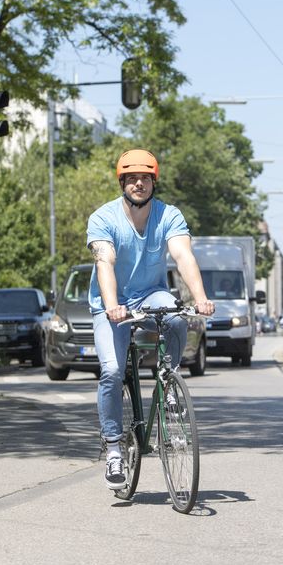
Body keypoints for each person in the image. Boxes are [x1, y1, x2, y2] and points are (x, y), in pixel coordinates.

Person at [87, 149, 215, 490]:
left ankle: (168, 375)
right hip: (110, 304)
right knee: (113, 371)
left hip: (151, 294)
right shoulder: (103, 218)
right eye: (131, 178)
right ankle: (114, 448)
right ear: (122, 183)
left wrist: (199, 298)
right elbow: (105, 262)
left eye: (144, 178)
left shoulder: (169, 216)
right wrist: (113, 305)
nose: (138, 183)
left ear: (153, 182)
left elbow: (182, 255)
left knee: (175, 317)